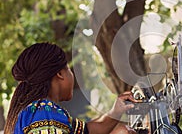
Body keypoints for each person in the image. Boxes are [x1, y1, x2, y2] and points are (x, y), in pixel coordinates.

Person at [4, 42, 137, 134]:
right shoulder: (44, 112)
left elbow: (88, 131)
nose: (72, 75)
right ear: (60, 74)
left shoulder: (44, 112)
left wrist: (116, 111)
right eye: (68, 69)